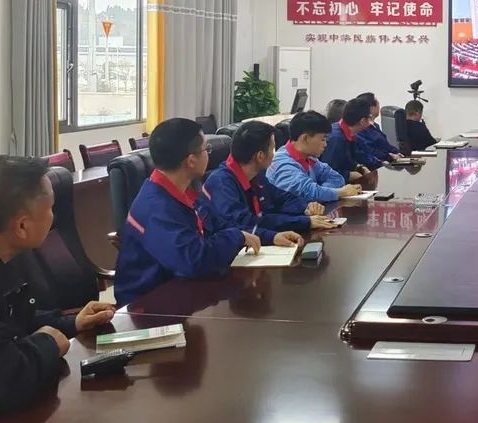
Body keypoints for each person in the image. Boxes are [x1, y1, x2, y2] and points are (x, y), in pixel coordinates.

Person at [115, 119, 298, 307]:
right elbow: (194, 260)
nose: (209, 154)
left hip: (181, 290)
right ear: (191, 161)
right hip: (147, 307)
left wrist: (267, 236)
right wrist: (236, 237)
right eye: (206, 149)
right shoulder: (157, 207)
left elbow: (216, 228)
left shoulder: (178, 193)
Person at [0, 156, 116, 412]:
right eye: (51, 208)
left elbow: (14, 319)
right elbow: (5, 381)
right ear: (22, 226)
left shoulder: (7, 260)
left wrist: (72, 323)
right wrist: (48, 344)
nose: (54, 217)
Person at [199, 121, 337, 240]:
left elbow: (283, 198)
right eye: (273, 149)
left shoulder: (256, 174)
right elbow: (246, 223)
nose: (274, 154)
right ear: (260, 156)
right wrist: (303, 222)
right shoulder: (221, 183)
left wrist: (306, 208)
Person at [266, 111, 363, 208]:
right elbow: (308, 193)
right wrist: (339, 192)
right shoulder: (282, 164)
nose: (325, 144)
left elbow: (337, 178)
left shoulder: (308, 156)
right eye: (323, 139)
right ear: (305, 138)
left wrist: (321, 192)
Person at [321, 99, 385, 179]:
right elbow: (326, 173)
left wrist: (359, 167)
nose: (370, 123)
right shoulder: (336, 138)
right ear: (362, 121)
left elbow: (349, 159)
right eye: (369, 118)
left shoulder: (350, 133)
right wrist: (349, 175)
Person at [354, 93, 402, 162]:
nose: (379, 107)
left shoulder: (375, 126)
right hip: (377, 163)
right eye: (378, 104)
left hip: (389, 160)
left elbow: (385, 146)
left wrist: (397, 152)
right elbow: (369, 150)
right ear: (371, 108)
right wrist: (389, 155)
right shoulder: (361, 129)